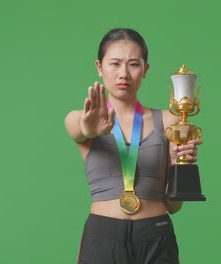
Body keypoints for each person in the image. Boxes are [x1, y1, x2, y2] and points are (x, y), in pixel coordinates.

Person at [64, 28, 202, 264]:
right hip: (103, 237)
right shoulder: (81, 118)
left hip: (156, 234)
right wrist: (90, 129)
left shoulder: (169, 121)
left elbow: (174, 206)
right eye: (115, 63)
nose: (123, 74)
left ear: (145, 70)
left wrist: (178, 162)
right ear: (99, 67)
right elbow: (80, 129)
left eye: (133, 64)